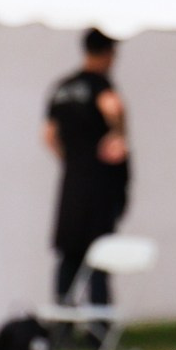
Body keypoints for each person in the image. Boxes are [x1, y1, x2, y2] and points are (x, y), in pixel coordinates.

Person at [44, 28, 131, 306]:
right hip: (98, 184)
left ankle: (62, 320)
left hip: (72, 182)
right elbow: (113, 108)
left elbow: (48, 136)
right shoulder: (100, 85)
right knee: (99, 253)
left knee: (69, 253)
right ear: (107, 53)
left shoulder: (62, 87)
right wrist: (118, 135)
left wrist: (70, 159)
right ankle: (99, 322)